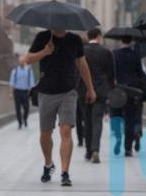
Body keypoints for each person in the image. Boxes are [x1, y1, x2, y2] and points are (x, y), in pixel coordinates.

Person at [26, 29, 96, 187]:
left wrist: (90, 88)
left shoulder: (75, 39)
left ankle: (65, 172)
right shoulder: (42, 37)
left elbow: (82, 63)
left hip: (68, 91)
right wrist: (45, 51)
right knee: (45, 134)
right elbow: (28, 59)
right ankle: (49, 164)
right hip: (46, 91)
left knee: (66, 130)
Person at [79, 27, 116, 164]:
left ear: (88, 37)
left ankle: (88, 151)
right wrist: (110, 89)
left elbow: (77, 71)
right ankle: (95, 149)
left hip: (83, 91)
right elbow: (111, 74)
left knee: (86, 121)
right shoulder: (106, 52)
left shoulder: (82, 51)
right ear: (99, 36)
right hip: (100, 92)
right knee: (97, 121)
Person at [110, 36, 146, 157]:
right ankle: (128, 148)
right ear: (131, 41)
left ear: (121, 41)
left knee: (116, 116)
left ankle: (118, 137)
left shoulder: (114, 54)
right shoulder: (135, 55)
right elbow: (140, 74)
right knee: (130, 120)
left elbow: (111, 73)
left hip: (117, 91)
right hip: (131, 92)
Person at [9, 55, 35, 129]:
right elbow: (11, 82)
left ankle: (25, 119)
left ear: (25, 62)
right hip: (17, 91)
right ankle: (20, 122)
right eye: (20, 61)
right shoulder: (15, 71)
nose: (22, 62)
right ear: (18, 62)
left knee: (26, 108)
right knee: (17, 108)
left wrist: (32, 92)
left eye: (23, 61)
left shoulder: (29, 71)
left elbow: (32, 82)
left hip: (25, 91)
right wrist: (10, 93)